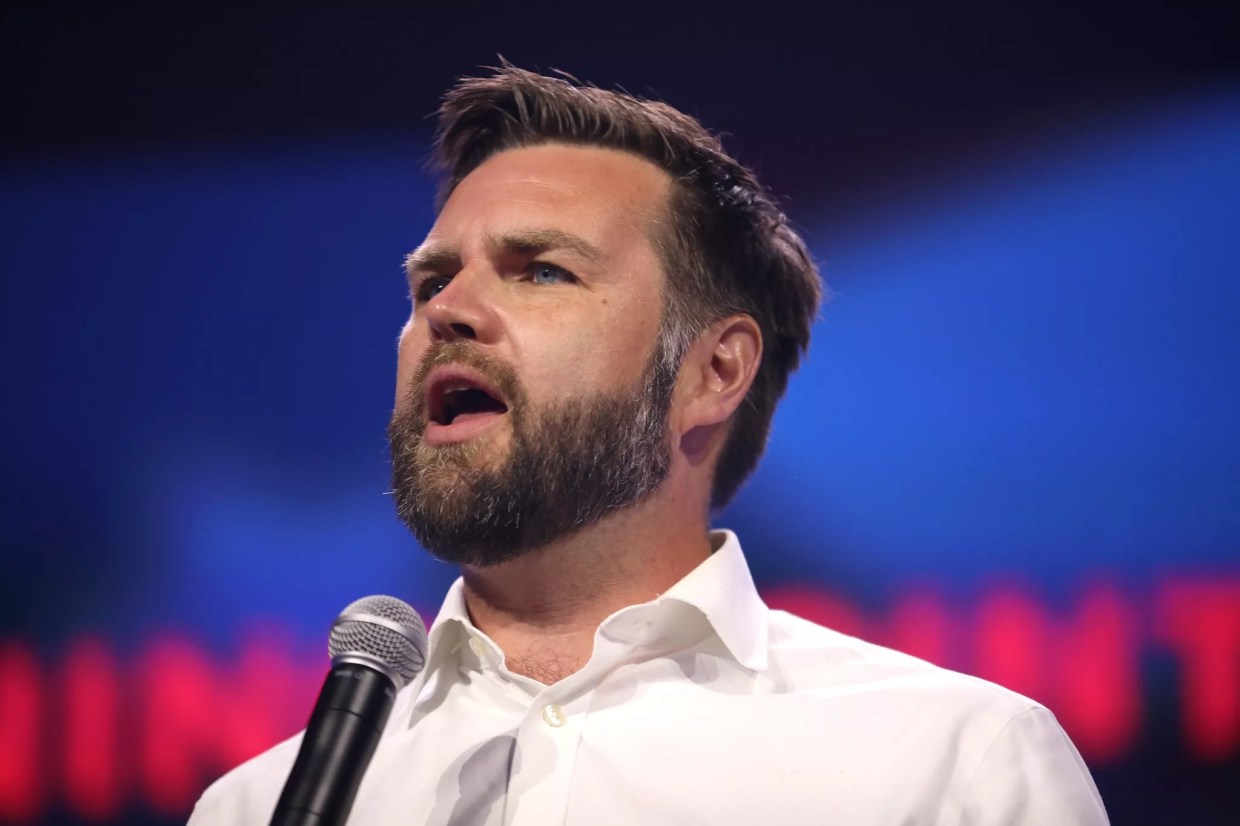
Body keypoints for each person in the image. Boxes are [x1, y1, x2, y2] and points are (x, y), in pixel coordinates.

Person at [188, 65, 1108, 825]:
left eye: (541, 270)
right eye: (431, 283)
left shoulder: (954, 769)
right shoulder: (257, 806)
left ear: (714, 372)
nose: (448, 312)